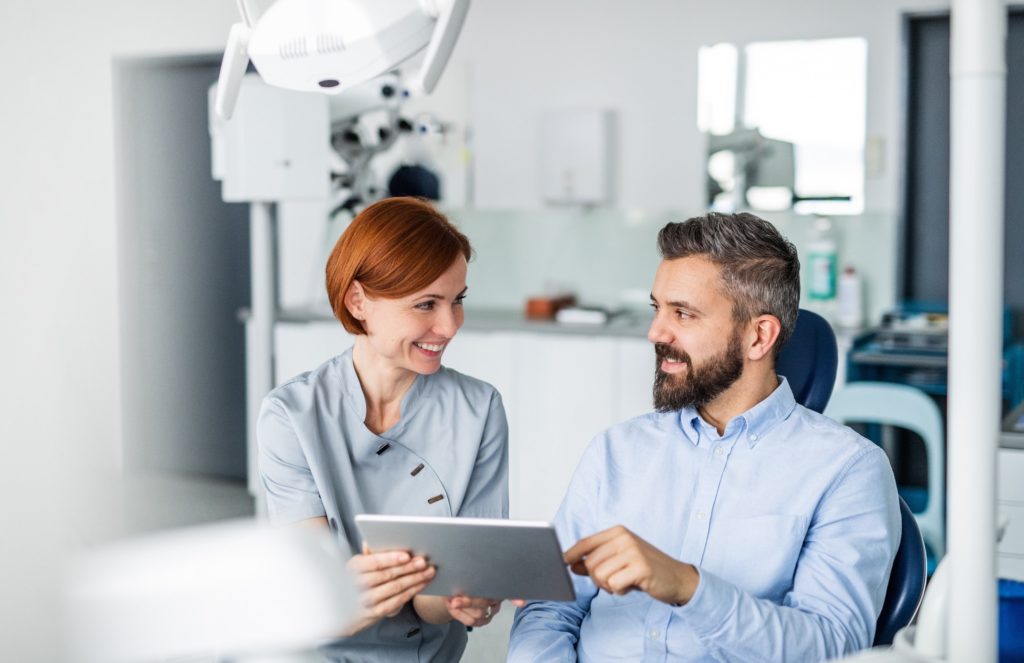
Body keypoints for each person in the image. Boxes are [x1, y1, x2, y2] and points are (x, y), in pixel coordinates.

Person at [507, 212, 901, 662]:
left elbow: (833, 647)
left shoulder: (848, 470)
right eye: (657, 308)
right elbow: (548, 608)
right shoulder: (617, 451)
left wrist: (688, 587)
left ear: (758, 336)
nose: (656, 332)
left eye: (684, 314)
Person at [257, 196, 509, 661]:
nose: (450, 325)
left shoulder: (479, 409)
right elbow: (318, 596)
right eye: (426, 304)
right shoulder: (291, 415)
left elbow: (436, 605)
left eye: (457, 301)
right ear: (359, 301)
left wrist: (461, 596)